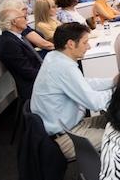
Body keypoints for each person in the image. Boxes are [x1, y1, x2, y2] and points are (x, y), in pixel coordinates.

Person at [30, 23, 113, 159]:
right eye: (85, 42)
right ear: (70, 44)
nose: (89, 47)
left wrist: (113, 82)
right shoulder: (64, 67)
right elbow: (95, 103)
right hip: (67, 138)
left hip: (69, 127)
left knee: (115, 120)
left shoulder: (54, 57)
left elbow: (84, 84)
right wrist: (118, 90)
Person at [0, 8, 43, 103]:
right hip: (33, 89)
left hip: (38, 81)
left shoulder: (16, 37)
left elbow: (41, 36)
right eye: (24, 17)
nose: (27, 20)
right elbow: (27, 71)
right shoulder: (9, 43)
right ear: (14, 22)